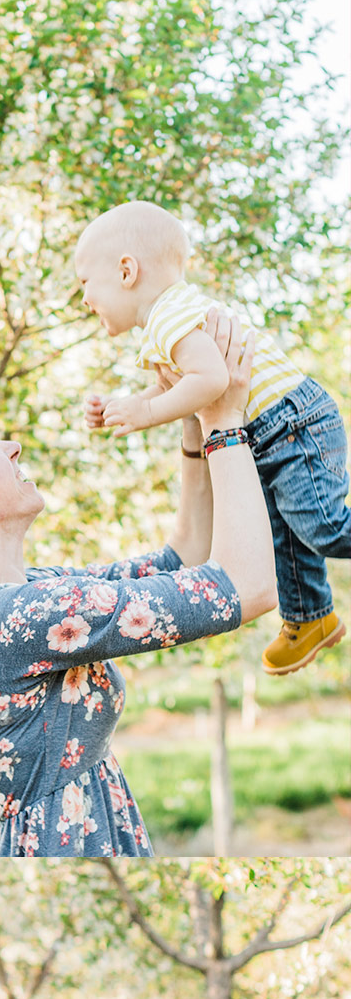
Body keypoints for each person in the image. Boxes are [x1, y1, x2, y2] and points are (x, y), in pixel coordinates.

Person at [0, 313, 277, 855]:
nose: (12, 447)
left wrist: (192, 419)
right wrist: (226, 422)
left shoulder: (14, 600)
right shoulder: (18, 617)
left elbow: (184, 557)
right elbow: (248, 587)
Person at [75, 200, 348, 676]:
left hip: (291, 423)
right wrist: (127, 402)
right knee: (282, 531)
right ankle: (309, 617)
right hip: (271, 429)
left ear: (125, 271)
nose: (83, 300)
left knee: (321, 528)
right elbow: (177, 385)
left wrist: (144, 412)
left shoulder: (169, 315)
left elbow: (211, 380)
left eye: (84, 283)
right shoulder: (169, 321)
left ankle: (310, 614)